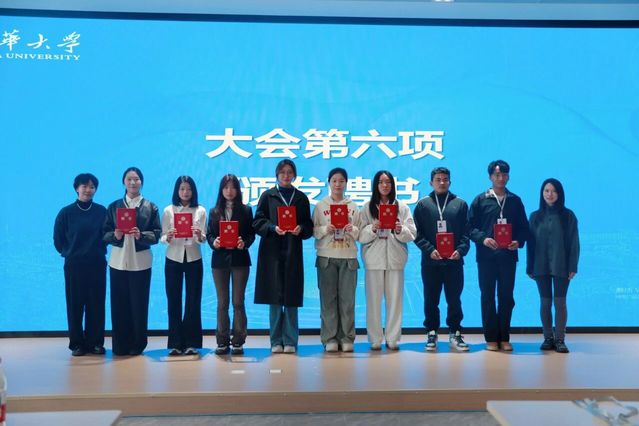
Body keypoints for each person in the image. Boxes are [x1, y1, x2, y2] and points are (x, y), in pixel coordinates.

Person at [253, 159, 313, 354]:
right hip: (272, 252)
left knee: (291, 298)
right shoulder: (268, 196)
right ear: (277, 175)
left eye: (289, 172)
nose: (286, 176)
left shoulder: (301, 198)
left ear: (294, 175)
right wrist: (272, 228)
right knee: (275, 297)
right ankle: (275, 340)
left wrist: (301, 228)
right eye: (282, 172)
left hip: (293, 251)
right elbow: (257, 221)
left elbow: (309, 225)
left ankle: (290, 340)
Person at [468, 160, 529, 352]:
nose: (500, 178)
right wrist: (483, 239)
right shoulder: (480, 200)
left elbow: (524, 228)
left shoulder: (515, 201)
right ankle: (491, 338)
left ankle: (504, 337)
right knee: (487, 297)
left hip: (508, 257)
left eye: (504, 174)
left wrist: (518, 241)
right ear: (490, 177)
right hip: (486, 257)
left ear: (508, 176)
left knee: (506, 297)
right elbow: (469, 228)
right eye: (497, 175)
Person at [103, 167, 161, 356]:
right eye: (129, 179)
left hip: (141, 262)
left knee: (139, 304)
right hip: (118, 262)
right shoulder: (114, 206)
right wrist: (115, 235)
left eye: (136, 179)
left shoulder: (150, 207)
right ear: (124, 182)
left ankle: (138, 344)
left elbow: (157, 234)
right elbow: (104, 234)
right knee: (118, 304)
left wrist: (141, 235)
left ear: (141, 182)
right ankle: (120, 345)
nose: (133, 182)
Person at [413, 167, 470, 352]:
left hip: (454, 261)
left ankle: (455, 332)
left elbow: (467, 232)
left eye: (445, 179)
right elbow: (416, 233)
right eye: (438, 179)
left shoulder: (460, 204)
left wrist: (460, 251)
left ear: (450, 182)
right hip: (431, 262)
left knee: (454, 299)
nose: (442, 182)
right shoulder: (423, 205)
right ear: (431, 183)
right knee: (431, 299)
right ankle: (431, 332)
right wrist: (430, 250)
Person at [359, 170, 416, 351]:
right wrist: (372, 228)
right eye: (381, 182)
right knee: (373, 301)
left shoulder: (402, 207)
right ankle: (375, 338)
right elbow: (360, 236)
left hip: (395, 259)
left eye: (388, 182)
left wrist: (400, 229)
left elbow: (412, 234)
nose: (385, 185)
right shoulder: (367, 207)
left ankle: (392, 337)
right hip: (373, 260)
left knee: (395, 301)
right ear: (375, 185)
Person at [54, 173, 107, 357]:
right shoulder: (66, 212)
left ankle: (95, 343)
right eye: (84, 186)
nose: (88, 190)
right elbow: (58, 240)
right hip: (74, 265)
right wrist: (71, 252)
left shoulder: (101, 211)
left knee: (96, 304)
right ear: (77, 188)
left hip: (97, 264)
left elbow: (107, 236)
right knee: (75, 304)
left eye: (92, 187)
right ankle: (76, 344)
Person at [527, 178, 579, 353]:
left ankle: (560, 339)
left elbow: (574, 242)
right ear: (542, 193)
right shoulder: (535, 216)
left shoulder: (568, 216)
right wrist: (529, 266)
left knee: (560, 303)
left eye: (554, 191)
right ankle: (548, 338)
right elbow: (531, 244)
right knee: (545, 302)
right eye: (546, 191)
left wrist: (572, 266)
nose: (550, 194)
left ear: (560, 194)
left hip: (561, 265)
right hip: (540, 265)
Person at [312, 167, 360, 353]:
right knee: (328, 300)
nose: (338, 184)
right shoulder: (320, 206)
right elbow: (314, 231)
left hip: (348, 257)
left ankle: (347, 337)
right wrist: (325, 229)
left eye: (341, 181)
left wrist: (351, 229)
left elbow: (360, 233)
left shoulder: (353, 206)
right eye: (334, 181)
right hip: (326, 257)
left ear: (346, 183)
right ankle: (330, 338)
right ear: (329, 183)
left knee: (347, 301)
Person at [207, 174, 255, 355]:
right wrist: (214, 242)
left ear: (238, 190)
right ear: (221, 190)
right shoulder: (214, 212)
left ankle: (238, 341)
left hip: (240, 260)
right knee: (222, 302)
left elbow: (251, 234)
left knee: (238, 302)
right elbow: (209, 234)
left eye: (233, 187)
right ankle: (222, 341)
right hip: (219, 261)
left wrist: (245, 243)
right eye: (226, 187)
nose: (229, 191)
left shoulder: (246, 210)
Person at [160, 176, 207, 356]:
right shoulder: (168, 210)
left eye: (188, 189)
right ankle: (175, 343)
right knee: (173, 300)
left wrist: (199, 235)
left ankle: (191, 343)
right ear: (177, 191)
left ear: (193, 191)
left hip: (194, 257)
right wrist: (168, 237)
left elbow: (203, 237)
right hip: (173, 258)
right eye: (182, 189)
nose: (185, 192)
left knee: (193, 301)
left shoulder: (200, 210)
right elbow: (162, 236)